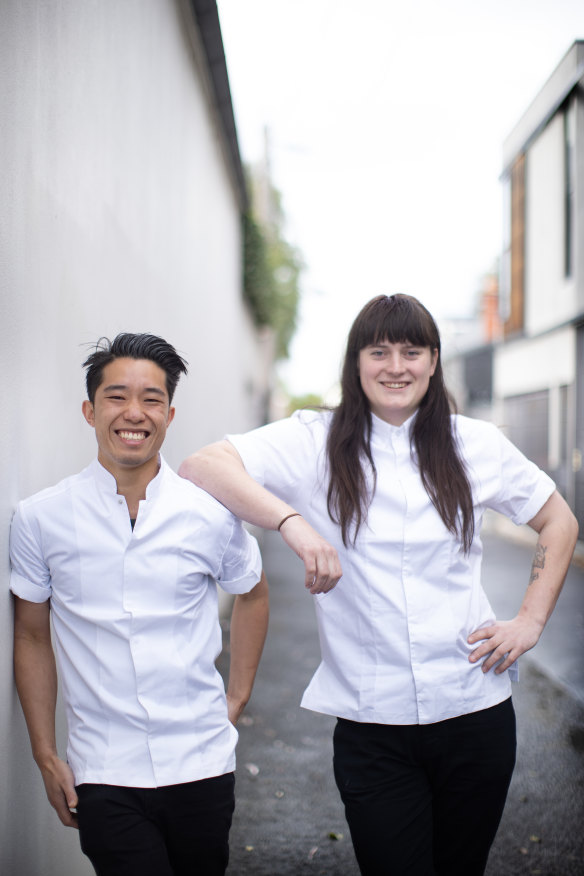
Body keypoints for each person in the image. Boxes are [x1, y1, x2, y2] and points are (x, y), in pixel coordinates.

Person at [179, 294, 579, 876]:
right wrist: (293, 523)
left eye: (412, 351)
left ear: (434, 360)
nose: (397, 366)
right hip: (373, 727)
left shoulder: (475, 444)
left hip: (474, 712)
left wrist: (531, 620)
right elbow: (203, 464)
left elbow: (558, 520)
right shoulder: (314, 439)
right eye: (380, 351)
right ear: (356, 362)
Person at [10, 333, 269, 876]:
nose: (134, 413)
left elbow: (252, 590)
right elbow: (31, 634)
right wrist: (44, 753)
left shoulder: (209, 513)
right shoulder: (41, 518)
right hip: (104, 769)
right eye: (116, 397)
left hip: (201, 762)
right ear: (89, 410)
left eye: (151, 399)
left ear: (170, 415)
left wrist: (237, 696)